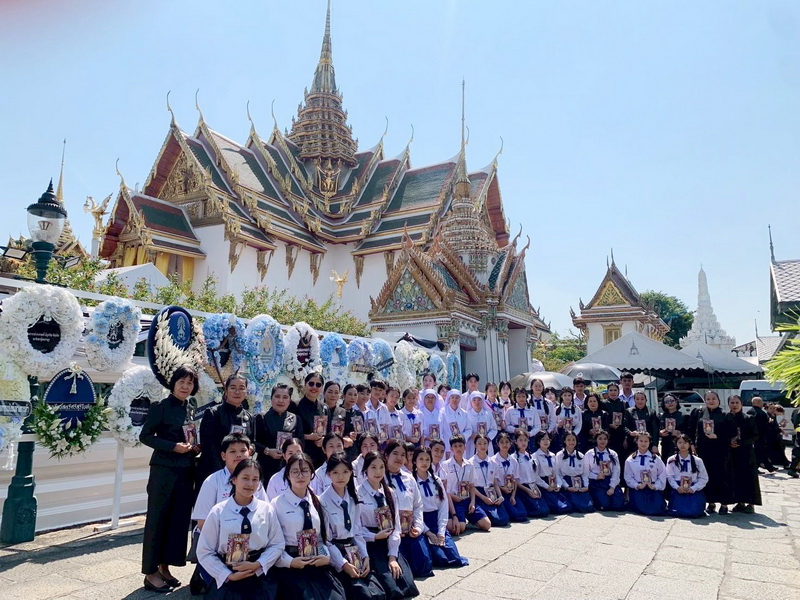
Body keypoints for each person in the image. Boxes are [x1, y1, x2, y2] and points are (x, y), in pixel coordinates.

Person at [140, 365, 201, 592]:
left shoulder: (191, 409)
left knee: (177, 521)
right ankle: (150, 573)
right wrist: (173, 446)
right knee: (157, 520)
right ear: (173, 383)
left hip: (186, 470)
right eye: (181, 382)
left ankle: (165, 568)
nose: (185, 386)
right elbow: (146, 436)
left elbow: (190, 435)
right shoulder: (160, 407)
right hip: (164, 471)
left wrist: (195, 447)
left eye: (189, 383)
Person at [196, 458, 283, 600]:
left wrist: (258, 564)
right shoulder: (218, 511)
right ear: (234, 480)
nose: (250, 484)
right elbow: (204, 551)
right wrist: (226, 575)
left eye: (255, 479)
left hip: (259, 574)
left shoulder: (267, 509)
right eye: (245, 478)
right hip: (228, 574)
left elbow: (277, 543)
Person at [272, 453, 346, 600]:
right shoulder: (276, 504)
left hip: (316, 562)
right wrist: (290, 562)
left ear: (312, 474)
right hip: (291, 565)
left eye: (305, 471)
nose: (300, 475)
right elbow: (273, 544)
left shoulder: (318, 502)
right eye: (295, 471)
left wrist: (326, 556)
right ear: (288, 475)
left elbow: (323, 539)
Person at [320, 454, 386, 600]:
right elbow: (326, 541)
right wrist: (343, 564)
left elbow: (357, 531)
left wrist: (365, 556)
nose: (341, 477)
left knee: (378, 593)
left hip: (354, 551)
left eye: (345, 472)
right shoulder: (323, 501)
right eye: (335, 472)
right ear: (328, 474)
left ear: (351, 473)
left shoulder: (353, 497)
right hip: (336, 554)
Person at [357, 451, 420, 599]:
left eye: (381, 467)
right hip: (369, 544)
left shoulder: (389, 492)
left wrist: (392, 556)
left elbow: (396, 526)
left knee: (407, 586)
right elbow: (356, 528)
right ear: (366, 469)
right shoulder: (358, 493)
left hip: (388, 541)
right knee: (392, 589)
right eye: (373, 467)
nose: (378, 472)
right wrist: (374, 536)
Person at [412, 446, 468, 568]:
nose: (424, 462)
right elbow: (414, 511)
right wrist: (428, 532)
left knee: (454, 558)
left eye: (427, 459)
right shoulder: (411, 482)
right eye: (421, 459)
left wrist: (441, 531)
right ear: (414, 461)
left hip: (437, 520)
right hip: (421, 522)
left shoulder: (436, 480)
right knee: (440, 558)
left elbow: (443, 506)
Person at [198, 374, 256, 492]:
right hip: (214, 472)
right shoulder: (213, 413)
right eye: (233, 387)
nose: (237, 392)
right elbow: (208, 446)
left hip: (240, 475)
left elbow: (253, 442)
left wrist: (251, 449)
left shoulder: (249, 417)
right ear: (226, 390)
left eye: (241, 388)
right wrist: (223, 472)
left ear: (246, 391)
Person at [383, 441, 431, 578]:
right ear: (386, 455)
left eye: (402, 455)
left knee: (423, 565)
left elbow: (418, 505)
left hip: (410, 531)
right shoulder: (380, 478)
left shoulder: (409, 478)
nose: (399, 458)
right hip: (390, 533)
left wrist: (418, 527)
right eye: (395, 454)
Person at [689, 391, 734, 514]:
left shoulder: (725, 415)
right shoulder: (699, 413)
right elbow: (691, 429)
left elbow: (732, 433)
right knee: (707, 476)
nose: (711, 401)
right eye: (708, 399)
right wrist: (692, 444)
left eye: (713, 398)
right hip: (704, 450)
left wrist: (718, 436)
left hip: (721, 450)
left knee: (722, 476)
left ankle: (724, 504)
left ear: (719, 400)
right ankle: (711, 502)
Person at [440, 434, 491, 533]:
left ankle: (469, 518)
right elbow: (444, 489)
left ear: (465, 447)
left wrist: (472, 502)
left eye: (460, 446)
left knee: (487, 525)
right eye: (455, 446)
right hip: (454, 501)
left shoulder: (469, 464)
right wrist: (454, 497)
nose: (458, 449)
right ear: (451, 449)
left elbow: (472, 486)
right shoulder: (445, 465)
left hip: (467, 500)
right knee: (459, 529)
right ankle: (458, 520)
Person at [255, 384, 304, 480]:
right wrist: (268, 451)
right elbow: (253, 442)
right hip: (266, 466)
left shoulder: (296, 419)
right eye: (277, 396)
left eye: (285, 397)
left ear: (289, 400)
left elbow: (301, 443)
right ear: (271, 398)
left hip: (290, 467)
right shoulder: (261, 417)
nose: (281, 400)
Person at [726, 395, 761, 514]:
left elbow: (755, 435)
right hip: (732, 452)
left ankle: (751, 503)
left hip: (746, 452)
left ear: (741, 404)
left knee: (749, 477)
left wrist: (741, 442)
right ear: (728, 404)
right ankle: (740, 502)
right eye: (732, 403)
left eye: (737, 402)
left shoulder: (749, 418)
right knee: (735, 476)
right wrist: (729, 441)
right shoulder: (727, 418)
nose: (734, 405)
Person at [470, 434, 509, 526]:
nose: (482, 446)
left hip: (491, 492)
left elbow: (495, 482)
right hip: (478, 493)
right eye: (479, 443)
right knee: (495, 520)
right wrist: (483, 498)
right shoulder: (470, 462)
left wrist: (500, 496)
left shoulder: (492, 462)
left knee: (504, 519)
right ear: (475, 445)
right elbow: (471, 486)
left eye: (485, 443)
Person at [665, 434, 708, 518]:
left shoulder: (697, 460)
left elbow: (704, 478)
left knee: (695, 512)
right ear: (676, 444)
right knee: (677, 511)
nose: (682, 445)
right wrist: (677, 487)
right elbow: (669, 476)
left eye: (685, 443)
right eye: (680, 442)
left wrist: (694, 488)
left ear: (689, 444)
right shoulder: (671, 460)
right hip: (678, 489)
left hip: (693, 489)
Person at [624, 432, 666, 515]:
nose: (643, 443)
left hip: (652, 487)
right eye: (641, 441)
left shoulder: (656, 459)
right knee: (641, 508)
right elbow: (628, 476)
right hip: (638, 488)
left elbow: (662, 474)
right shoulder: (630, 459)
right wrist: (637, 485)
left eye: (646, 441)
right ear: (636, 441)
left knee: (657, 508)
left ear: (649, 442)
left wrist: (655, 486)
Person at [490, 432, 528, 522]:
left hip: (511, 491)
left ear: (510, 443)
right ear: (497, 444)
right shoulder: (493, 460)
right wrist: (502, 488)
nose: (504, 445)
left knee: (523, 514)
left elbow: (515, 479)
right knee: (514, 515)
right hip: (499, 492)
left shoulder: (513, 460)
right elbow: (492, 481)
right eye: (502, 442)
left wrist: (513, 495)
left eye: (507, 442)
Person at [296, 373, 332, 468]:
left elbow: (329, 432)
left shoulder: (324, 407)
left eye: (318, 385)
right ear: (305, 385)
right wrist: (307, 437)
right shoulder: (295, 406)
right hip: (302, 454)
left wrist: (324, 440)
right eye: (311, 384)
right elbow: (290, 432)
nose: (314, 387)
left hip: (321, 455)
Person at [512, 429, 549, 518]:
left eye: (525, 440)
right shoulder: (514, 458)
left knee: (545, 510)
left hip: (532, 486)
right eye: (520, 440)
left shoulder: (530, 456)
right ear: (516, 442)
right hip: (522, 488)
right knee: (536, 511)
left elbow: (534, 475)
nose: (523, 443)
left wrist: (536, 488)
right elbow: (515, 479)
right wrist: (527, 490)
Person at [585, 430, 625, 511]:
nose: (602, 441)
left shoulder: (613, 454)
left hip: (610, 480)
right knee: (604, 506)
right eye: (600, 439)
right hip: (596, 482)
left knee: (619, 506)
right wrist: (596, 476)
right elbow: (585, 471)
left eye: (605, 439)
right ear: (596, 440)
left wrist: (612, 487)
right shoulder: (589, 454)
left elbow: (616, 470)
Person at [554, 432, 594, 513]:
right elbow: (558, 473)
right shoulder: (559, 455)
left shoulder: (581, 456)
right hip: (567, 483)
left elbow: (585, 473)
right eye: (568, 440)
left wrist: (586, 486)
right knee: (573, 506)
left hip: (579, 484)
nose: (571, 442)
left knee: (588, 507)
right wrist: (566, 486)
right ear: (564, 441)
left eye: (573, 440)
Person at [532, 431, 570, 514]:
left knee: (567, 506)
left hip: (553, 483)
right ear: (538, 441)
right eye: (543, 439)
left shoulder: (552, 455)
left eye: (548, 439)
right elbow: (535, 476)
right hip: (543, 485)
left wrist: (558, 485)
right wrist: (546, 486)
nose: (546, 441)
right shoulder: (535, 456)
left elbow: (556, 472)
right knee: (557, 508)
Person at [603, 383, 629, 484]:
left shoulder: (624, 404)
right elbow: (602, 420)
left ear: (618, 392)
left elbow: (627, 421)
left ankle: (624, 485)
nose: (613, 392)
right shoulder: (603, 404)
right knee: (610, 460)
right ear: (607, 392)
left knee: (622, 460)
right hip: (609, 436)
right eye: (611, 390)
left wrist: (626, 437)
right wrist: (610, 425)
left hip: (621, 435)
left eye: (615, 390)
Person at [505, 387, 540, 452]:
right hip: (515, 436)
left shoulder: (532, 410)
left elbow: (537, 426)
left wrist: (530, 433)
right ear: (515, 397)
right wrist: (515, 430)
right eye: (519, 396)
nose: (521, 399)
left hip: (529, 436)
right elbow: (506, 426)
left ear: (526, 397)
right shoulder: (510, 410)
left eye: (523, 396)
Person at [440, 390, 472, 457]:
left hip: (460, 445)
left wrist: (461, 438)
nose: (454, 400)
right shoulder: (442, 412)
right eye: (452, 397)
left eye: (457, 398)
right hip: (447, 446)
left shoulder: (464, 413)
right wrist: (446, 447)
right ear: (449, 399)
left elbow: (469, 429)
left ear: (460, 399)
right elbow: (440, 431)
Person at [465, 391, 497, 457]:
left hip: (486, 443)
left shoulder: (488, 414)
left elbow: (494, 429)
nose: (477, 402)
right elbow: (464, 429)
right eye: (474, 400)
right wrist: (471, 435)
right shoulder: (466, 415)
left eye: (479, 400)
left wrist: (486, 437)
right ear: (471, 401)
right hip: (472, 444)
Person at [747, 396, 773, 471]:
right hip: (761, 436)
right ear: (758, 403)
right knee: (760, 452)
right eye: (762, 402)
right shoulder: (762, 414)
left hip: (751, 436)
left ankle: (768, 466)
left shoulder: (749, 412)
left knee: (757, 452)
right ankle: (757, 468)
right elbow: (765, 426)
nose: (763, 404)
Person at [657, 394, 687, 460]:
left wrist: (680, 433)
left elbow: (689, 432)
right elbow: (656, 430)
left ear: (676, 402)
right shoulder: (661, 416)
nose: (670, 403)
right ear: (664, 404)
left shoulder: (684, 416)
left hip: (679, 446)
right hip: (666, 446)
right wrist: (660, 433)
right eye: (667, 402)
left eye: (672, 401)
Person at [554, 388, 582, 453]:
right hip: (561, 433)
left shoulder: (577, 409)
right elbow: (554, 423)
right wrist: (559, 425)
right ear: (561, 396)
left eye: (569, 395)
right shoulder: (557, 409)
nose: (567, 397)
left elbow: (579, 424)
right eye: (565, 395)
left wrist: (574, 434)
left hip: (574, 433)